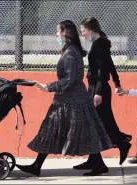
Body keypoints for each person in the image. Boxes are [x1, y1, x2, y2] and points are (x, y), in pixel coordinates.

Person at [15, 20, 113, 177]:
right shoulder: (70, 51)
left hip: (74, 101)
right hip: (66, 100)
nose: (56, 34)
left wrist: (49, 87)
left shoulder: (71, 53)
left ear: (65, 33)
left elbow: (70, 79)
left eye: (58, 31)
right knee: (52, 129)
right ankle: (37, 165)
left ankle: (99, 164)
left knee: (77, 131)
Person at [73, 17, 132, 172]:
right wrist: (117, 83)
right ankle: (96, 158)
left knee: (97, 123)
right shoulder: (100, 43)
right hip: (96, 88)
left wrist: (98, 93)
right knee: (99, 123)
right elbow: (109, 64)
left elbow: (102, 71)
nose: (82, 34)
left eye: (84, 30)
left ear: (91, 29)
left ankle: (119, 144)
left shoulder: (99, 45)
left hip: (98, 89)